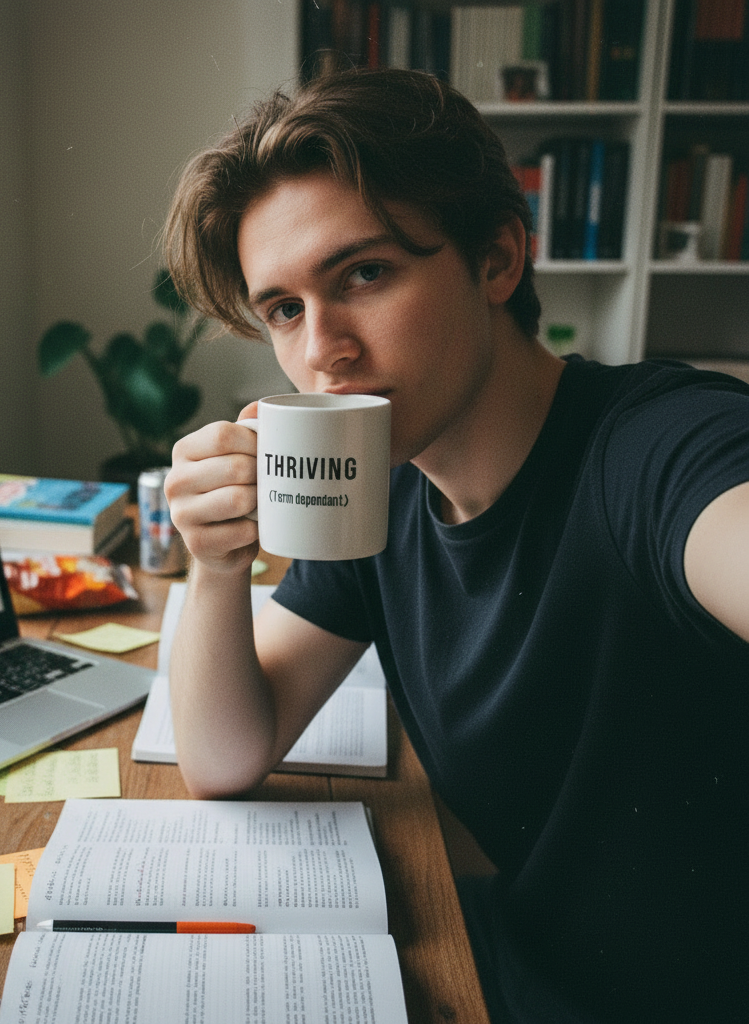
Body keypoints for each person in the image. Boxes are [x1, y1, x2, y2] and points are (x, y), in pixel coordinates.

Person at [161, 68, 748, 1024]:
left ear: (498, 261)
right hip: (513, 970)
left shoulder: (655, 449)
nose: (324, 352)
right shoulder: (379, 486)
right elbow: (226, 756)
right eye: (284, 309)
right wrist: (218, 565)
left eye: (366, 274)